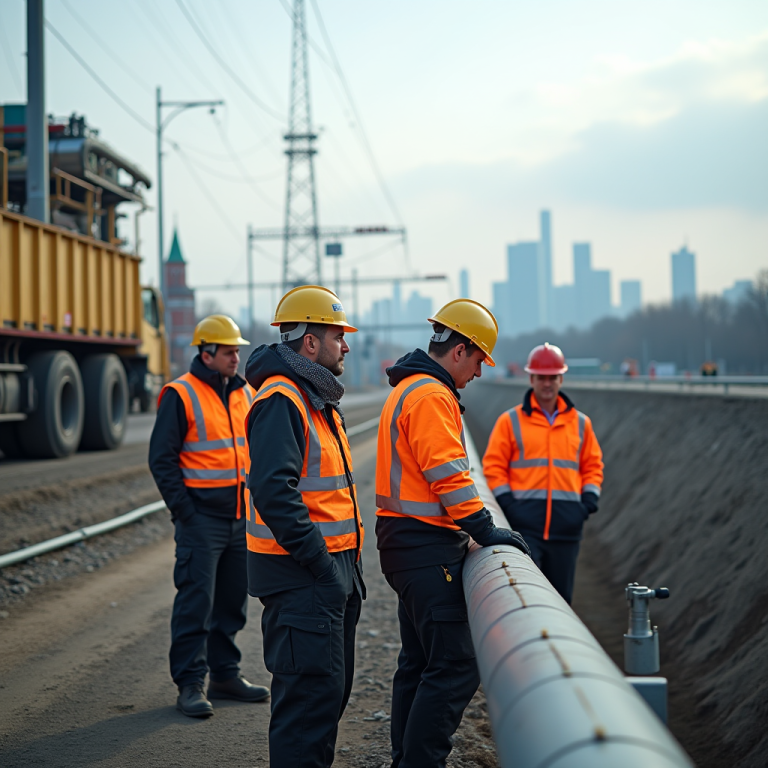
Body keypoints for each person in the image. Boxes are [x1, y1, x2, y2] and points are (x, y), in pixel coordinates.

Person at [375, 299, 530, 768]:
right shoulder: (430, 396)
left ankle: (407, 758)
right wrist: (487, 529)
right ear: (460, 349)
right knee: (455, 664)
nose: (480, 373)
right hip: (424, 546)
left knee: (419, 663)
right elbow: (447, 475)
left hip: (406, 544)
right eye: (480, 359)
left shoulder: (413, 388)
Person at [244, 285, 365, 768]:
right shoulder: (283, 399)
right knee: (306, 715)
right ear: (310, 343)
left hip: (322, 575)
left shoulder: (309, 396)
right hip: (303, 576)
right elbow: (275, 492)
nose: (347, 345)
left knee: (324, 702)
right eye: (338, 335)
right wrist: (321, 565)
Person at [149, 314, 269, 718]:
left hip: (239, 518)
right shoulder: (180, 394)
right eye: (230, 351)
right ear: (207, 352)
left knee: (232, 602)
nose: (237, 357)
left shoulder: (244, 393)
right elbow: (161, 459)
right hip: (201, 520)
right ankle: (190, 684)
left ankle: (225, 674)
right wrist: (185, 511)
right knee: (195, 602)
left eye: (238, 350)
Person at [482, 342, 604, 604]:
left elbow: (592, 465)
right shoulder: (510, 421)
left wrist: (587, 503)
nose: (547, 384)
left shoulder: (581, 423)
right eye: (541, 378)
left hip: (567, 529)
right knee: (529, 598)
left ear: (561, 378)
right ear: (531, 378)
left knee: (561, 600)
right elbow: (493, 467)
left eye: (552, 378)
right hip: (526, 528)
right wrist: (509, 505)